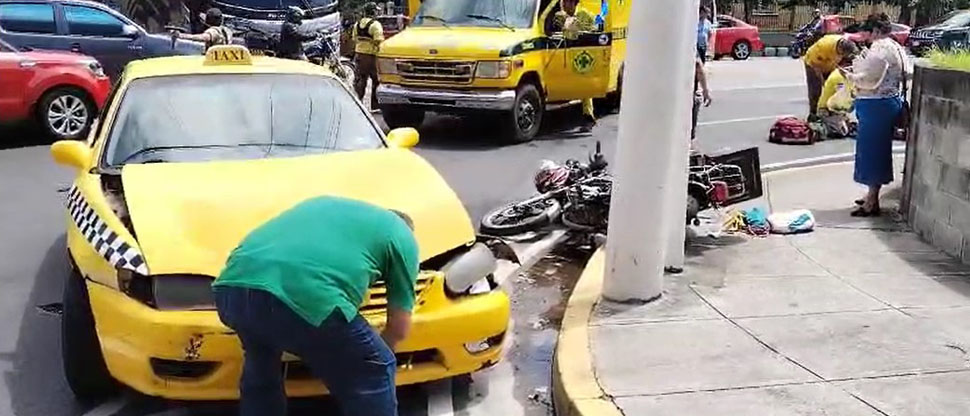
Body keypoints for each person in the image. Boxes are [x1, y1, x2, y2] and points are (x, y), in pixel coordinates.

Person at [213, 196, 419, 416]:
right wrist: (366, 356)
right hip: (306, 296)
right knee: (375, 368)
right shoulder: (401, 235)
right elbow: (399, 328)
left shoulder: (328, 207)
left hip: (232, 288)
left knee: (261, 359)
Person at [840, 13, 909, 217]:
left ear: (876, 31)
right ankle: (871, 194)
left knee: (871, 153)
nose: (865, 36)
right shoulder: (896, 46)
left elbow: (869, 79)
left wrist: (850, 76)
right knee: (877, 150)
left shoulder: (880, 48)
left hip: (875, 104)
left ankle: (872, 201)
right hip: (888, 102)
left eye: (867, 32)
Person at [556, 0, 600, 132]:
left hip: (581, 54)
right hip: (565, 55)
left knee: (584, 87)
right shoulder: (561, 16)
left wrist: (577, 28)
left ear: (572, 3)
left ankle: (588, 117)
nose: (563, 4)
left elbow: (594, 32)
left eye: (565, 2)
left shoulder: (584, 15)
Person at [803, 33, 858, 119]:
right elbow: (815, 65)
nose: (843, 56)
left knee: (835, 87)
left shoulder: (845, 44)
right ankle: (814, 114)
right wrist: (823, 81)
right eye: (843, 54)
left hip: (831, 63)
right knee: (816, 90)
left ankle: (833, 111)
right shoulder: (824, 46)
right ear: (840, 48)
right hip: (813, 64)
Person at [353, 2, 385, 110]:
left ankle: (357, 103)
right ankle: (375, 106)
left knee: (360, 80)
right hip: (372, 57)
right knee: (376, 81)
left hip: (359, 55)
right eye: (376, 11)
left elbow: (354, 39)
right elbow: (379, 41)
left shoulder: (357, 24)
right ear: (373, 12)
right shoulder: (376, 25)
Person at [816, 66, 855, 138]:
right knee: (842, 132)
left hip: (838, 109)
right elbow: (839, 101)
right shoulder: (838, 78)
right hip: (828, 110)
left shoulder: (846, 76)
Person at [691, 51, 712, 143]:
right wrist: (705, 91)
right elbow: (698, 67)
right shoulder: (688, 47)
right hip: (688, 93)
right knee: (688, 132)